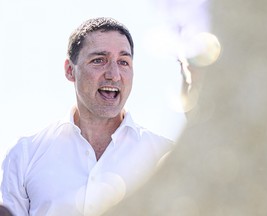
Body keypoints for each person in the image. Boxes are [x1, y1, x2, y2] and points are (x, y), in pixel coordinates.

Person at [1, 17, 173, 216]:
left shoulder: (164, 154)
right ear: (69, 70)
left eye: (123, 62)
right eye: (99, 60)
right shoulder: (24, 155)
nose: (114, 75)